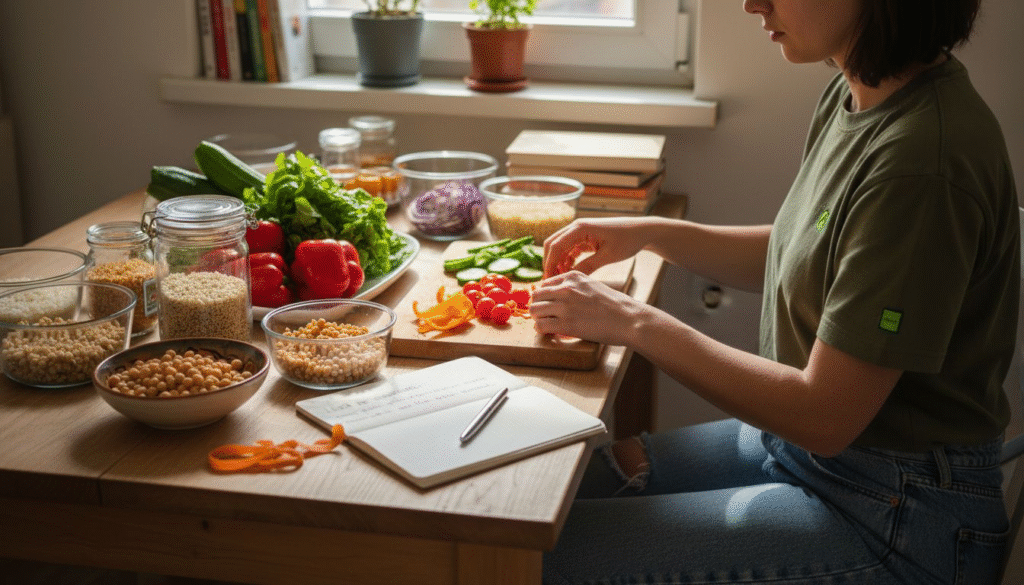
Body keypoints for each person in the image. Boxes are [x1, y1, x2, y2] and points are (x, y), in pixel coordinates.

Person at [531, 0, 1020, 583]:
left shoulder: (921, 161)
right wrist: (652, 233)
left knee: (543, 556)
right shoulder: (857, 93)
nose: (751, 3)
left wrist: (633, 321)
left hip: (894, 513)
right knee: (566, 492)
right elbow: (809, 252)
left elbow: (824, 416)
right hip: (810, 456)